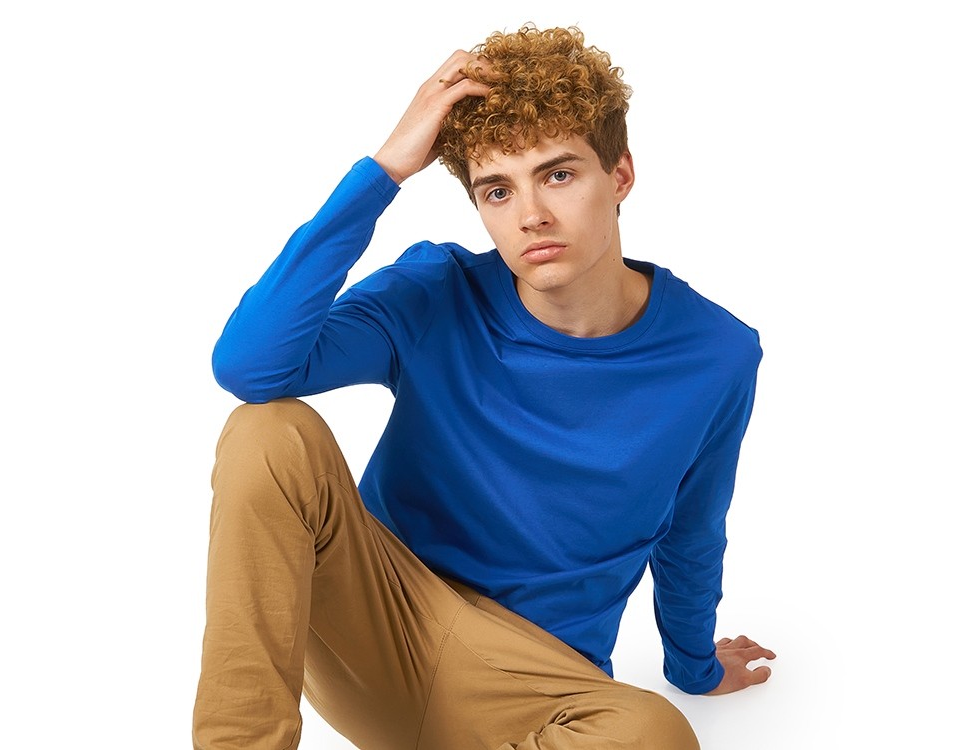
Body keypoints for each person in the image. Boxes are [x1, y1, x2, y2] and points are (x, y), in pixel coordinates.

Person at [193, 24, 775, 750]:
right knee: (268, 431)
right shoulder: (435, 291)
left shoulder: (717, 354)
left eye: (558, 175)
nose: (531, 215)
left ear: (620, 175)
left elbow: (693, 527)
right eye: (498, 190)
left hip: (532, 686)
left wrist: (693, 667)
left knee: (655, 735)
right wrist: (385, 170)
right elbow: (250, 366)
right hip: (376, 623)